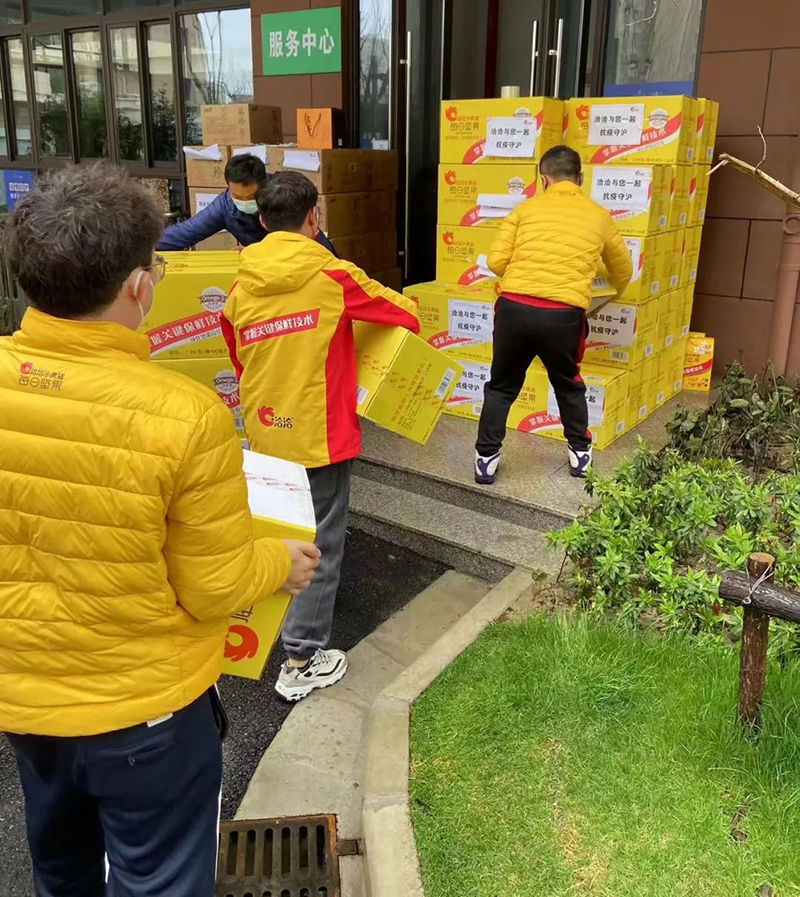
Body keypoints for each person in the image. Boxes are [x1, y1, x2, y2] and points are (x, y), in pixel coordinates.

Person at [0, 163, 320, 897]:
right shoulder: (185, 416)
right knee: (161, 881)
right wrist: (279, 562)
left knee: (62, 871)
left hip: (27, 699)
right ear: (140, 287)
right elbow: (213, 587)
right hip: (146, 711)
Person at [221, 171, 420, 702]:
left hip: (265, 429)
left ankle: (264, 629)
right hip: (319, 433)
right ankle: (301, 660)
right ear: (315, 217)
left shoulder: (239, 286)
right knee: (320, 543)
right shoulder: (333, 275)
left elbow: (238, 359)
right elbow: (406, 316)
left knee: (276, 533)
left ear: (263, 222)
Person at [474, 145, 633, 485]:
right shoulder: (599, 216)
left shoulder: (525, 209)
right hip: (563, 315)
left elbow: (496, 262)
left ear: (543, 179)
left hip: (514, 309)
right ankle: (580, 455)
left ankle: (485, 460)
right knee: (568, 384)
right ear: (581, 178)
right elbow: (623, 271)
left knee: (501, 386)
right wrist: (606, 297)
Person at [157, 153, 337, 254]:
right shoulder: (225, 205)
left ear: (264, 185)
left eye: (251, 197)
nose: (243, 202)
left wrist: (260, 252)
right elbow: (185, 232)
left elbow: (316, 246)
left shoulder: (284, 197)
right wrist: (145, 245)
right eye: (237, 196)